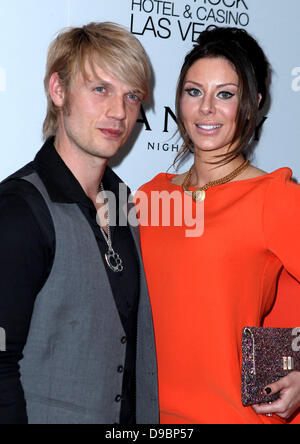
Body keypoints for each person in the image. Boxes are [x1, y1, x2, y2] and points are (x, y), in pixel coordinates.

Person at [137, 27, 300, 424]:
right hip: (146, 418)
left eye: (224, 94)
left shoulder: (273, 196)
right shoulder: (149, 196)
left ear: (252, 104)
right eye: (194, 92)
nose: (206, 108)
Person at [0, 22, 159, 425]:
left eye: (131, 96)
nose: (119, 112)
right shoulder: (19, 209)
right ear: (58, 91)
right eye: (100, 89)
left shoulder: (126, 205)